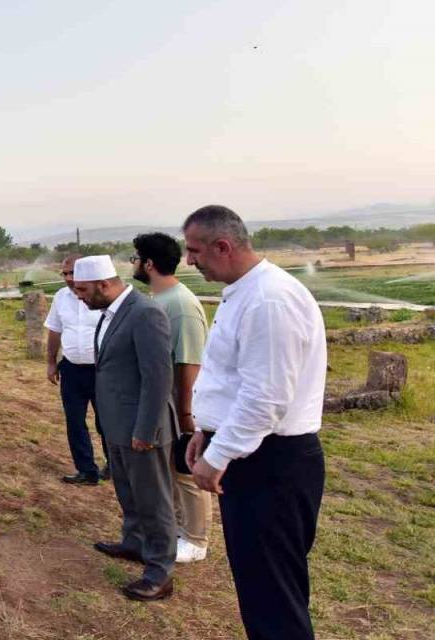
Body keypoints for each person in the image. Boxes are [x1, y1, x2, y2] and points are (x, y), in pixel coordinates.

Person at [183, 205, 326, 640]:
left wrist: (219, 454)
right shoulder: (246, 292)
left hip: (271, 462)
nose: (189, 261)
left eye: (194, 251)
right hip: (253, 453)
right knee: (263, 586)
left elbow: (266, 397)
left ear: (222, 246)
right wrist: (206, 432)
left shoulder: (269, 300)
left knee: (273, 595)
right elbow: (234, 379)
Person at [71, 255, 176, 601]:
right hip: (116, 425)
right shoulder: (110, 313)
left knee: (153, 501)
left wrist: (146, 430)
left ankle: (160, 573)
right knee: (128, 492)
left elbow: (158, 378)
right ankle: (134, 543)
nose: (79, 296)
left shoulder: (144, 313)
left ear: (104, 284)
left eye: (83, 289)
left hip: (141, 429)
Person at [131, 232, 212, 564]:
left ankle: (196, 539)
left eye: (136, 258)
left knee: (186, 469)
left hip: (180, 405)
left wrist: (186, 413)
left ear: (149, 264)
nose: (132, 264)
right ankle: (179, 528)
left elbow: (188, 361)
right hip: (163, 403)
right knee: (171, 470)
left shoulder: (180, 304)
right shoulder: (159, 300)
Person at [44, 254, 109, 485]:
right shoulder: (61, 298)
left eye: (73, 273)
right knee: (74, 421)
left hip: (102, 370)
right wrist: (51, 362)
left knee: (107, 421)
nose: (69, 278)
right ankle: (86, 471)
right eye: (65, 273)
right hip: (71, 368)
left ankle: (113, 466)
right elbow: (54, 330)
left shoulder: (102, 297)